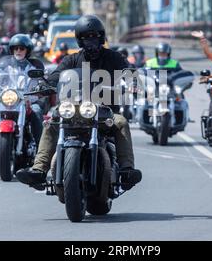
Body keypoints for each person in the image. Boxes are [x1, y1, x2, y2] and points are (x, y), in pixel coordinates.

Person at [16, 15, 142, 191]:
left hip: (104, 111)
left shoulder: (113, 57)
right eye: (86, 37)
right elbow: (56, 75)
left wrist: (133, 83)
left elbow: (130, 72)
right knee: (51, 122)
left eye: (94, 36)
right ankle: (38, 170)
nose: (91, 41)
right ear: (80, 40)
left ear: (101, 37)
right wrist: (44, 84)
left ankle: (127, 170)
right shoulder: (72, 59)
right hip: (74, 109)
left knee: (121, 122)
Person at [0, 34, 45, 158]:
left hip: (26, 100)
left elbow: (39, 82)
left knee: (37, 110)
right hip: (8, 99)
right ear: (12, 50)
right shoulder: (4, 66)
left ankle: (41, 145)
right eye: (16, 48)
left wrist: (38, 90)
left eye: (21, 48)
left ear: (27, 50)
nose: (18, 51)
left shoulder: (33, 67)